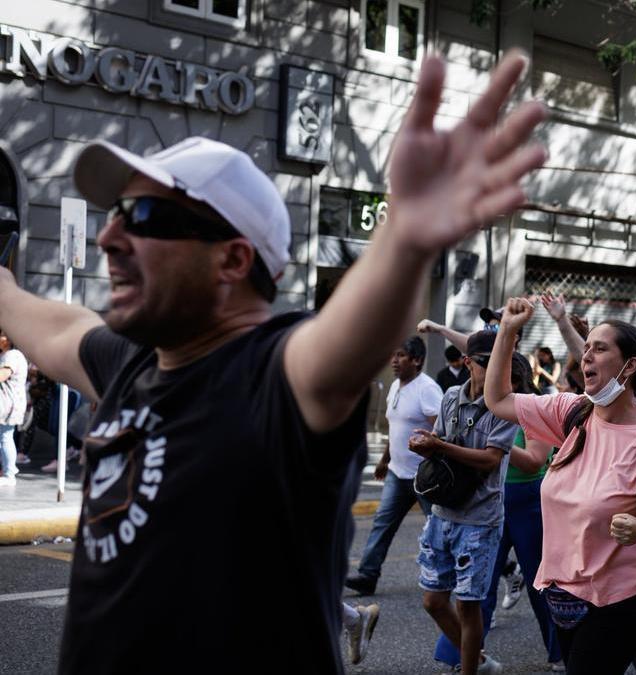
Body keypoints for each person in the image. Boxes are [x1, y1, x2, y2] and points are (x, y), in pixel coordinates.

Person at [2, 50, 545, 672]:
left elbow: (344, 346)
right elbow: (39, 316)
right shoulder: (128, 361)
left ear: (233, 260)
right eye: (115, 214)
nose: (108, 238)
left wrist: (404, 239)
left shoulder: (274, 374)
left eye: (144, 216)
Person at [484, 297, 636, 674]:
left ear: (630, 365)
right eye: (585, 348)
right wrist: (506, 330)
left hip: (626, 596)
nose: (586, 356)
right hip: (564, 592)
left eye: (599, 349)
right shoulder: (571, 411)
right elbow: (498, 399)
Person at [432, 354, 562, 671]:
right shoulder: (484, 406)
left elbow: (534, 461)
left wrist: (495, 445)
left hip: (529, 503)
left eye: (502, 377)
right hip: (492, 502)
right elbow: (474, 351)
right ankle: (462, 657)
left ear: (515, 381)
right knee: (478, 585)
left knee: (540, 583)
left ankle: (561, 651)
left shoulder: (534, 408)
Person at [415, 330, 518, 675]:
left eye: (501, 362)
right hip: (443, 512)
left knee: (468, 606)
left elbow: (490, 459)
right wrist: (426, 444)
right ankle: (481, 661)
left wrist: (439, 446)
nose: (495, 369)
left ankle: (470, 669)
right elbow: (439, 440)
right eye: (487, 363)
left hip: (479, 519)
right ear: (468, 362)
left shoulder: (506, 405)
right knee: (433, 600)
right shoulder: (449, 397)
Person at [346, 338, 443, 595]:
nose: (394, 361)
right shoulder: (395, 387)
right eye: (393, 355)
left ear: (417, 360)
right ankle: (367, 575)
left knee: (445, 527)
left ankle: (501, 567)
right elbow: (396, 427)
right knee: (382, 523)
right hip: (398, 473)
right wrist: (385, 459)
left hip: (425, 476)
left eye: (400, 355)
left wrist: (435, 457)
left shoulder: (427, 389)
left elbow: (443, 430)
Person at [0, 330, 28, 485]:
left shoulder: (12, 355)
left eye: (2, 335)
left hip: (8, 405)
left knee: (5, 437)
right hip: (7, 403)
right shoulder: (8, 355)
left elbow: (3, 375)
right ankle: (7, 469)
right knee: (4, 437)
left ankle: (9, 474)